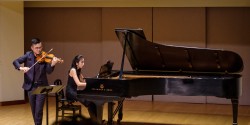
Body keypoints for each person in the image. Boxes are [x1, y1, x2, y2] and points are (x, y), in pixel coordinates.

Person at [13, 38, 60, 125]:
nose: (39, 50)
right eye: (36, 48)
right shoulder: (28, 55)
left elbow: (49, 71)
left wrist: (53, 64)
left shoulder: (44, 56)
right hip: (30, 87)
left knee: (38, 110)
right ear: (32, 47)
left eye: (40, 47)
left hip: (41, 86)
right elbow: (15, 61)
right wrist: (21, 68)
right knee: (34, 110)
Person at [66, 55, 97, 122]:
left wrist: (93, 81)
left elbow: (83, 81)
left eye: (83, 62)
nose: (83, 64)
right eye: (82, 62)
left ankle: (96, 120)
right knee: (88, 102)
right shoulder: (73, 70)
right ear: (77, 63)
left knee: (92, 102)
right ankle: (94, 121)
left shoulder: (78, 70)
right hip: (70, 92)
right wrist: (91, 84)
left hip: (74, 91)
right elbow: (79, 84)